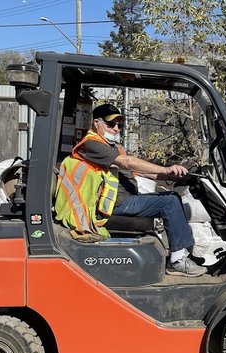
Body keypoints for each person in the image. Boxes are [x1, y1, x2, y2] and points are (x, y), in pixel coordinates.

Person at [72, 103, 207, 277]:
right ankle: (177, 260)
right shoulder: (91, 144)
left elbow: (138, 171)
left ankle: (181, 254)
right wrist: (165, 169)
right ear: (96, 123)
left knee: (171, 196)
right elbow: (127, 163)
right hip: (109, 206)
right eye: (110, 124)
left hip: (121, 201)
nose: (116, 129)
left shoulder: (113, 147)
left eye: (120, 125)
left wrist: (170, 176)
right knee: (170, 201)